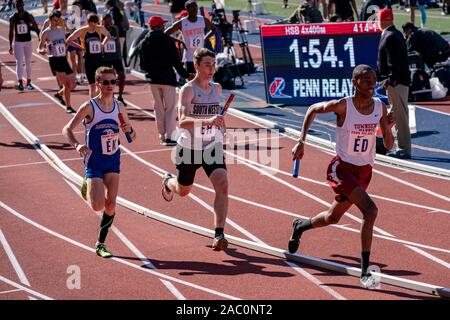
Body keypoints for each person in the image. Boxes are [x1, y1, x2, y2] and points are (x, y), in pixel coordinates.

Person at [288, 64, 395, 288]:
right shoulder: (343, 105)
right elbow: (313, 110)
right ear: (355, 82)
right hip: (342, 168)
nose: (371, 85)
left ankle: (300, 226)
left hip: (365, 171)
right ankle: (365, 270)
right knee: (371, 210)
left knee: (332, 217)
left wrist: (389, 129)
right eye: (366, 81)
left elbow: (388, 144)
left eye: (374, 81)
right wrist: (301, 141)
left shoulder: (379, 106)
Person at [62, 66, 136, 258]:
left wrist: (129, 129)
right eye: (106, 82)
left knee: (111, 205)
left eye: (113, 81)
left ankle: (100, 243)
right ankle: (87, 183)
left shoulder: (119, 107)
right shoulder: (89, 107)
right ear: (98, 85)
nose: (110, 85)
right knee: (97, 206)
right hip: (94, 162)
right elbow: (67, 130)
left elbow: (132, 136)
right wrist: (77, 145)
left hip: (113, 161)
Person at [161, 48, 229, 251]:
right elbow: (182, 121)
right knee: (183, 191)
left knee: (223, 185)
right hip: (189, 148)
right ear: (196, 66)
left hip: (211, 146)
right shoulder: (188, 90)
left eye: (214, 64)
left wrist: (221, 127)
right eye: (207, 64)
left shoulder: (217, 88)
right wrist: (208, 120)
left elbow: (218, 116)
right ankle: (167, 181)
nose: (211, 68)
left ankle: (219, 234)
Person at [140, 15, 192, 146]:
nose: (164, 26)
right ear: (159, 26)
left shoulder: (144, 42)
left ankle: (162, 135)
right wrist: (186, 75)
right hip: (167, 78)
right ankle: (170, 136)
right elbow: (176, 62)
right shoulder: (168, 41)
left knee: (158, 108)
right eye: (162, 25)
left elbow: (142, 65)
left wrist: (151, 71)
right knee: (170, 108)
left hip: (153, 79)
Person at [377, 8, 411, 159]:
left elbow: (393, 62)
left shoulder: (390, 36)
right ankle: (389, 143)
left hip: (396, 83)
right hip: (396, 82)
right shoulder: (394, 33)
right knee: (394, 115)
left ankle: (404, 149)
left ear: (383, 20)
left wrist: (391, 81)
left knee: (400, 116)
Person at [38, 10, 77, 113]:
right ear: (50, 20)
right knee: (67, 84)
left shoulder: (61, 29)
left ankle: (58, 94)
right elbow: (40, 47)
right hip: (55, 60)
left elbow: (64, 42)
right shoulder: (46, 32)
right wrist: (41, 51)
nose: (57, 22)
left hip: (63, 58)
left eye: (58, 20)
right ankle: (68, 107)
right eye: (55, 20)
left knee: (73, 84)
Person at [165, 0, 216, 73]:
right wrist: (180, 41)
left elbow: (213, 29)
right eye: (193, 8)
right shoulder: (182, 22)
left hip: (201, 57)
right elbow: (165, 33)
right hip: (189, 58)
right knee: (191, 80)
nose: (195, 10)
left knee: (202, 79)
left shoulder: (203, 20)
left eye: (196, 7)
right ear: (187, 9)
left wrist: (205, 38)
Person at [67, 13, 111, 98]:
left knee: (101, 83)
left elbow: (108, 36)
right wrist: (81, 47)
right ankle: (92, 104)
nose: (94, 26)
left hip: (99, 59)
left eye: (96, 23)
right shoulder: (82, 31)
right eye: (92, 24)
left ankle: (100, 101)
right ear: (88, 22)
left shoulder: (99, 29)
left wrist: (102, 44)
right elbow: (69, 40)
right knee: (92, 85)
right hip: (88, 60)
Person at [9, 0, 39, 91]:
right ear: (16, 6)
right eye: (17, 5)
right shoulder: (13, 17)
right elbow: (11, 32)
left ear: (23, 5)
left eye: (20, 4)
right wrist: (10, 45)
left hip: (28, 42)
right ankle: (20, 82)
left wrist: (39, 39)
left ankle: (29, 82)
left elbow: (36, 28)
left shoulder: (28, 16)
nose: (19, 6)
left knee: (28, 61)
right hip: (18, 42)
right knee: (19, 62)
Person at [102, 13, 127, 106]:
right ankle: (108, 97)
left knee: (122, 76)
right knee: (106, 79)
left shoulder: (114, 29)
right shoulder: (101, 30)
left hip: (115, 57)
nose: (109, 22)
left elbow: (117, 42)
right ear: (103, 21)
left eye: (110, 20)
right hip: (106, 58)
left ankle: (120, 96)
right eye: (107, 20)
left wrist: (120, 55)